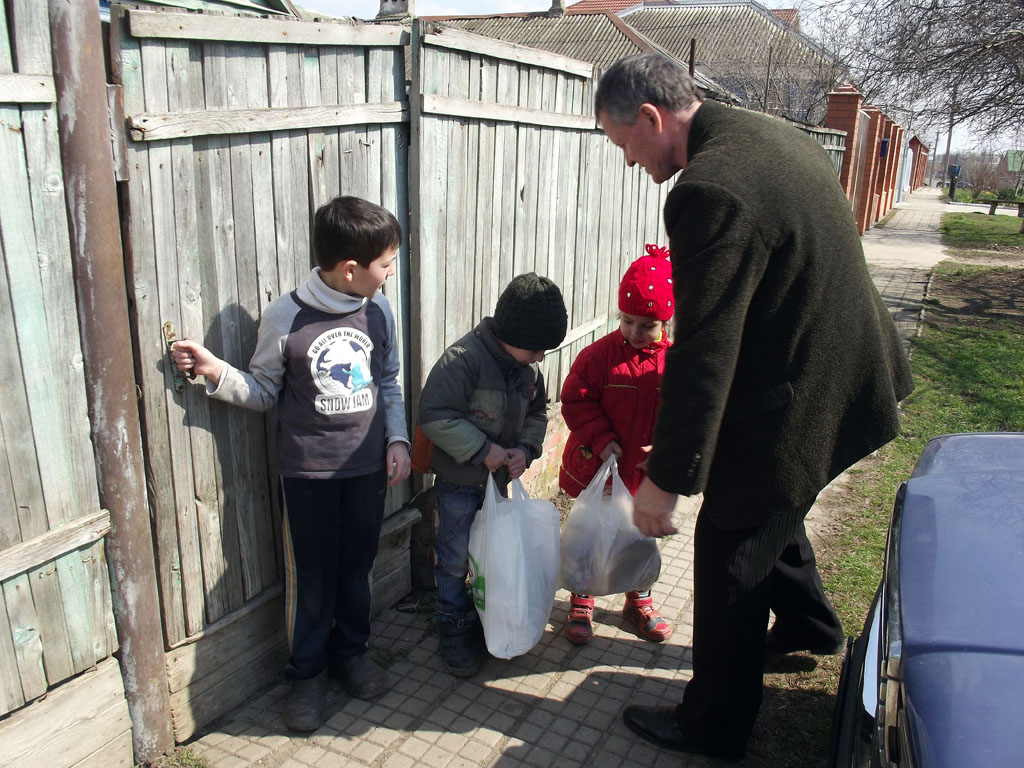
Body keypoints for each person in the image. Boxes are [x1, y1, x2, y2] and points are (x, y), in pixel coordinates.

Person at [594, 53, 914, 761]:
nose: (626, 161)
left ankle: (712, 725)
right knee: (774, 502)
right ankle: (810, 630)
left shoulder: (709, 188)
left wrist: (666, 478)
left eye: (623, 145)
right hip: (847, 368)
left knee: (730, 544)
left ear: (650, 118)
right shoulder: (774, 135)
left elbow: (704, 348)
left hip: (805, 390)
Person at [171, 196, 411, 732]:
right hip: (308, 478)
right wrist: (215, 372)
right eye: (387, 263)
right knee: (313, 578)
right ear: (351, 269)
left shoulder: (379, 310)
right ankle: (305, 675)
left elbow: (388, 381)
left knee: (356, 569)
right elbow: (262, 392)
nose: (391, 273)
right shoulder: (287, 316)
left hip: (368, 471)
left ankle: (352, 654)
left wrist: (397, 440)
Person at [418, 273, 567, 677]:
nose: (540, 358)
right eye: (535, 349)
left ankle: (488, 615)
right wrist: (483, 450)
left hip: (498, 490)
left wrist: (525, 450)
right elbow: (435, 416)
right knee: (453, 560)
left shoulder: (529, 372)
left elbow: (538, 413)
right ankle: (451, 625)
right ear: (510, 334)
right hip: (458, 487)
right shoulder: (462, 361)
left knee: (495, 558)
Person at [558, 244, 675, 646]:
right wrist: (602, 438)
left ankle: (638, 599)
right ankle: (582, 599)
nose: (635, 333)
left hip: (644, 477)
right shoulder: (599, 357)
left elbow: (686, 412)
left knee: (639, 539)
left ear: (666, 321)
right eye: (627, 321)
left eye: (648, 324)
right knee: (592, 537)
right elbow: (576, 398)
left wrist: (668, 449)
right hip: (602, 469)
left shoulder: (675, 363)